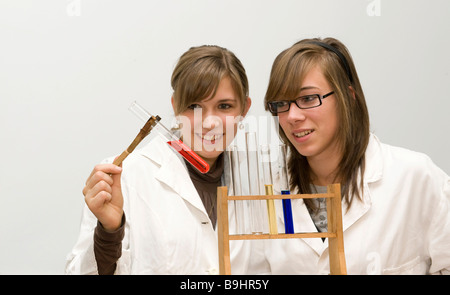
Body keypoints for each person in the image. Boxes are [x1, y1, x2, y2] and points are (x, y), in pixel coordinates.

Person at [263, 37, 450, 274]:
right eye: (281, 103)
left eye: (308, 98)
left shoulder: (416, 178)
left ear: (348, 97)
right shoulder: (268, 189)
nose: (292, 116)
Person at [65, 45, 253, 274]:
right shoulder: (124, 178)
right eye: (194, 106)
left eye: (224, 106)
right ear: (175, 106)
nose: (209, 122)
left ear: (245, 108)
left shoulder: (259, 179)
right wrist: (109, 231)